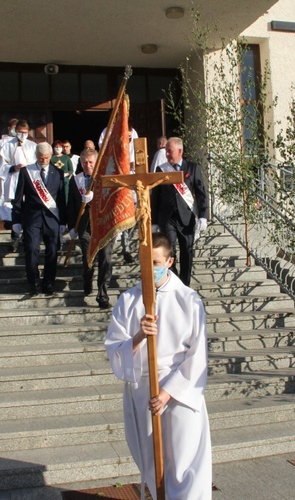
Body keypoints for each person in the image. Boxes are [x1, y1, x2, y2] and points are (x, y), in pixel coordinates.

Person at [105, 232, 212, 499]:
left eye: (155, 262)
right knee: (153, 464)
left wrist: (167, 393)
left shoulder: (188, 299)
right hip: (143, 389)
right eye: (145, 261)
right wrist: (139, 336)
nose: (149, 268)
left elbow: (197, 355)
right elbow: (115, 349)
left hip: (179, 391)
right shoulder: (128, 300)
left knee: (185, 464)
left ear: (170, 261)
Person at [151, 137, 208, 286]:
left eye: (170, 151)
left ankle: (185, 286)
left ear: (179, 151)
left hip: (186, 218)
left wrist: (203, 216)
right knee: (170, 251)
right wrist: (154, 221)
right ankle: (174, 282)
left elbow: (201, 193)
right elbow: (155, 196)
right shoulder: (161, 169)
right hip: (167, 218)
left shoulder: (192, 168)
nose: (167, 155)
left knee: (187, 252)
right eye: (166, 152)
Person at [12, 141, 67, 296]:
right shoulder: (26, 172)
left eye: (47, 158)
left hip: (52, 218)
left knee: (52, 251)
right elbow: (18, 198)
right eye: (41, 158)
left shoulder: (58, 173)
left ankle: (49, 282)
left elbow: (61, 199)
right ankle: (34, 282)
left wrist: (63, 222)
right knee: (31, 249)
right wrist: (16, 220)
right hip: (32, 218)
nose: (44, 161)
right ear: (36, 156)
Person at [67, 147, 113, 309]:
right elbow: (72, 205)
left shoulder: (105, 179)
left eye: (91, 162)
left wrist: (95, 196)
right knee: (89, 260)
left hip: (104, 225)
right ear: (80, 163)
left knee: (105, 259)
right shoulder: (76, 180)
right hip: (85, 227)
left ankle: (103, 295)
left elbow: (112, 200)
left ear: (97, 162)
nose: (87, 165)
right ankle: (87, 280)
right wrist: (72, 227)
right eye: (84, 162)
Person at [100, 126, 139, 263]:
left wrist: (135, 165)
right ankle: (110, 249)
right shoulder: (109, 132)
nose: (128, 139)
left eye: (129, 137)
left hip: (131, 184)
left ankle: (126, 249)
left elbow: (138, 156)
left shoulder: (134, 137)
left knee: (129, 218)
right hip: (115, 185)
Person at [0, 119, 37, 236]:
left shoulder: (33, 146)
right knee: (13, 203)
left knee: (28, 202)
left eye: (25, 132)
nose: (23, 135)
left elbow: (38, 162)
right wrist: (13, 168)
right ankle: (15, 233)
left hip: (29, 178)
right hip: (13, 177)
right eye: (20, 132)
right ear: (15, 131)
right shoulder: (6, 145)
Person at [0, 118, 18, 231]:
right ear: (9, 128)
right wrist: (10, 167)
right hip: (8, 175)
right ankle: (9, 223)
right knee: (6, 200)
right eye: (14, 128)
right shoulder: (1, 143)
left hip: (21, 175)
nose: (16, 131)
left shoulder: (26, 143)